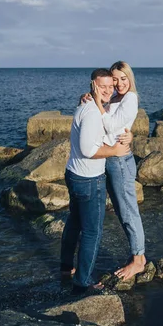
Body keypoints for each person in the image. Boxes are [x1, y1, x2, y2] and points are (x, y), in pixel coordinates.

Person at [60, 68, 132, 294]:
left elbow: (111, 124)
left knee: (74, 222)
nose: (108, 90)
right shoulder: (91, 111)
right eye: (103, 87)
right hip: (89, 180)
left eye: (111, 86)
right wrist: (113, 150)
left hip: (74, 174)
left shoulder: (88, 105)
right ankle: (82, 283)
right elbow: (87, 149)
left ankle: (66, 267)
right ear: (93, 85)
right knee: (92, 232)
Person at [83, 61, 146, 281]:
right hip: (111, 159)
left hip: (119, 161)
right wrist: (88, 98)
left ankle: (139, 260)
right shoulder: (117, 97)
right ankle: (136, 254)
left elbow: (110, 126)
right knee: (122, 211)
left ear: (130, 78)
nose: (119, 84)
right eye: (115, 79)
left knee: (129, 211)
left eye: (123, 78)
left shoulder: (130, 98)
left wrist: (98, 102)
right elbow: (109, 122)